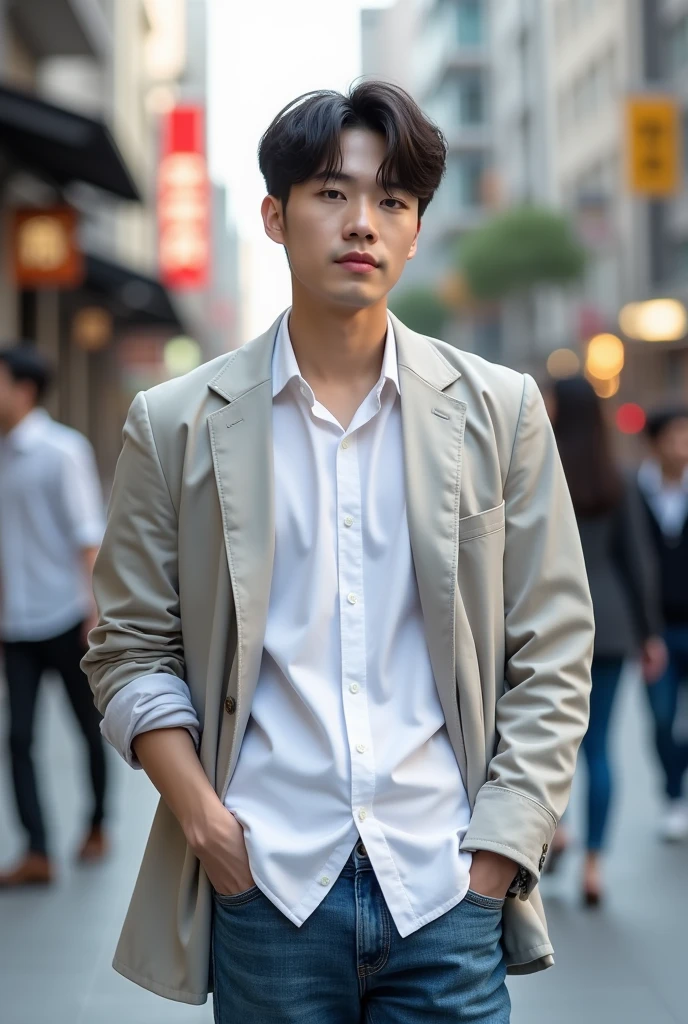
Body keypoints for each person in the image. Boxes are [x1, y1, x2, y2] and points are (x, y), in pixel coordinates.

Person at [83, 82, 594, 1022]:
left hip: (445, 891)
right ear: (274, 216)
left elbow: (554, 648)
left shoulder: (503, 412)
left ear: (415, 228)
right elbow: (127, 651)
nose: (362, 221)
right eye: (331, 192)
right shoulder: (174, 424)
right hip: (268, 889)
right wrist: (209, 828)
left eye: (391, 200)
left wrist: (497, 858)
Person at [546, 376, 666, 905]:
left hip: (547, 624)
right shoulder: (619, 479)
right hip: (613, 626)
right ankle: (594, 865)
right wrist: (650, 633)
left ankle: (557, 831)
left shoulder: (536, 472)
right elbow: (638, 562)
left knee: (549, 740)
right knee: (600, 748)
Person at [0, 344, 108, 887]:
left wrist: (95, 615)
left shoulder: (62, 451)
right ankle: (37, 851)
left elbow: (88, 537)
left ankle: (96, 826)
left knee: (88, 728)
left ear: (23, 389)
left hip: (67, 616)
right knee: (17, 738)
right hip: (14, 623)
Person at [637, 404, 688, 841]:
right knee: (661, 716)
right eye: (674, 435)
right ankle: (673, 794)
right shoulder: (636, 492)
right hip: (655, 630)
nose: (682, 445)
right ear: (655, 443)